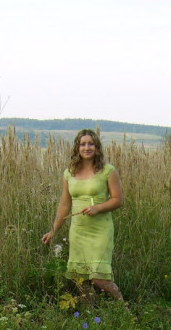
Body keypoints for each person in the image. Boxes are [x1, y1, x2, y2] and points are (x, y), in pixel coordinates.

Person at [42, 129, 124, 302]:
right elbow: (65, 204)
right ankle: (88, 317)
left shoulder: (108, 171)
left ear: (97, 147)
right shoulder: (69, 173)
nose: (87, 147)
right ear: (77, 148)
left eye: (91, 144)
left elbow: (118, 200)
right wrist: (53, 231)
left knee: (99, 277)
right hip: (78, 230)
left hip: (100, 230)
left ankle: (123, 310)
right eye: (83, 144)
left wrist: (98, 208)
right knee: (82, 278)